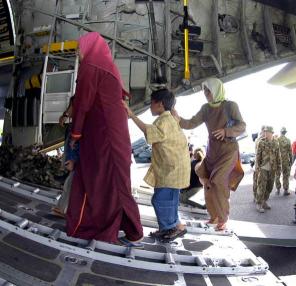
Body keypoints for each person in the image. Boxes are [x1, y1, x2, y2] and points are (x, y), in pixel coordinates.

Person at [66, 32, 143, 246]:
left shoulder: (91, 66)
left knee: (104, 182)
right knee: (115, 181)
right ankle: (131, 229)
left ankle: (109, 229)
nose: (78, 53)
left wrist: (75, 134)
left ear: (89, 47)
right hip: (113, 133)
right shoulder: (107, 65)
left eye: (79, 48)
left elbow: (82, 104)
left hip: (104, 134)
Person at [173, 78, 246, 231]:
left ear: (217, 90)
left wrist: (226, 131)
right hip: (213, 151)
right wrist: (178, 119)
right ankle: (213, 216)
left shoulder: (230, 106)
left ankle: (223, 218)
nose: (206, 94)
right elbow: (191, 123)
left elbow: (242, 126)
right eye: (204, 91)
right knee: (206, 181)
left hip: (228, 150)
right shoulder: (205, 108)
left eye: (208, 91)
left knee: (218, 180)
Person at [126, 88, 190, 242]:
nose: (149, 106)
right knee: (170, 200)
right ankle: (173, 226)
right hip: (175, 168)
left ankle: (171, 228)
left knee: (161, 200)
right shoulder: (169, 118)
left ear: (160, 104)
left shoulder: (164, 121)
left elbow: (149, 133)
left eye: (151, 103)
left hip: (171, 170)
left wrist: (132, 115)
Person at [52, 97, 80, 217]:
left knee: (70, 183)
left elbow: (78, 144)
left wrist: (73, 160)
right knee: (70, 183)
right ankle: (63, 209)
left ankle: (63, 210)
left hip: (76, 159)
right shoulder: (73, 125)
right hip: (74, 158)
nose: (69, 111)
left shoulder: (79, 125)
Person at [256, 126, 281, 212]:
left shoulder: (276, 143)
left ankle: (264, 201)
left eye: (267, 132)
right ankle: (259, 204)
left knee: (270, 186)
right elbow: (258, 156)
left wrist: (279, 168)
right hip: (263, 167)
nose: (265, 133)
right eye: (265, 132)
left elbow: (278, 157)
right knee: (262, 186)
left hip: (272, 168)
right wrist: (257, 167)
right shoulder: (261, 142)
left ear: (271, 133)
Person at [275, 127, 292, 196]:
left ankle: (278, 189)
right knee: (285, 175)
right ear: (285, 132)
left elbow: (274, 150)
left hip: (278, 160)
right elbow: (290, 152)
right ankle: (285, 190)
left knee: (277, 175)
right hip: (285, 160)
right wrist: (291, 160)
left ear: (280, 132)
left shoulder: (276, 140)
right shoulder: (288, 140)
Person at [253, 126, 267, 202]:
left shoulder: (264, 139)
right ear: (261, 131)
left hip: (263, 164)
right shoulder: (258, 140)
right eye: (264, 131)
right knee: (256, 181)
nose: (265, 133)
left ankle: (261, 198)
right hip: (257, 164)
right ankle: (255, 196)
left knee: (262, 182)